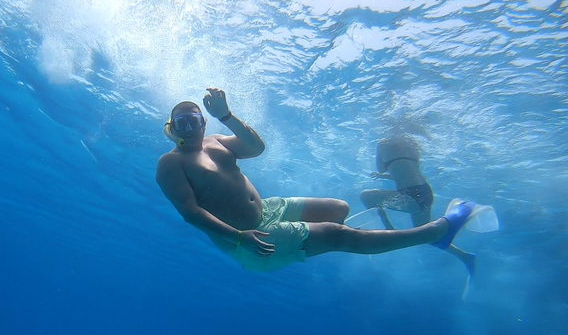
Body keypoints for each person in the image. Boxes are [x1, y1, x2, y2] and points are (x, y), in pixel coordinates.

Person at [155, 88, 476, 272]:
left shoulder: (217, 141)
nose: (189, 128)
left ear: (203, 122)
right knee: (339, 236)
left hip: (269, 209)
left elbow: (256, 147)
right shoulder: (170, 164)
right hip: (250, 238)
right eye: (181, 122)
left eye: (194, 120)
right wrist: (240, 238)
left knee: (339, 208)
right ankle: (435, 231)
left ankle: (360, 240)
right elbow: (191, 213)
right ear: (173, 127)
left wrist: (227, 116)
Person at [360, 135, 476, 276]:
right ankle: (465, 256)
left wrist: (382, 174)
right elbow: (407, 171)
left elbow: (380, 168)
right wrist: (385, 176)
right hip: (425, 193)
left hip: (410, 196)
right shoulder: (412, 146)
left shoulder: (383, 143)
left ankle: (388, 229)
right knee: (425, 234)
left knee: (366, 196)